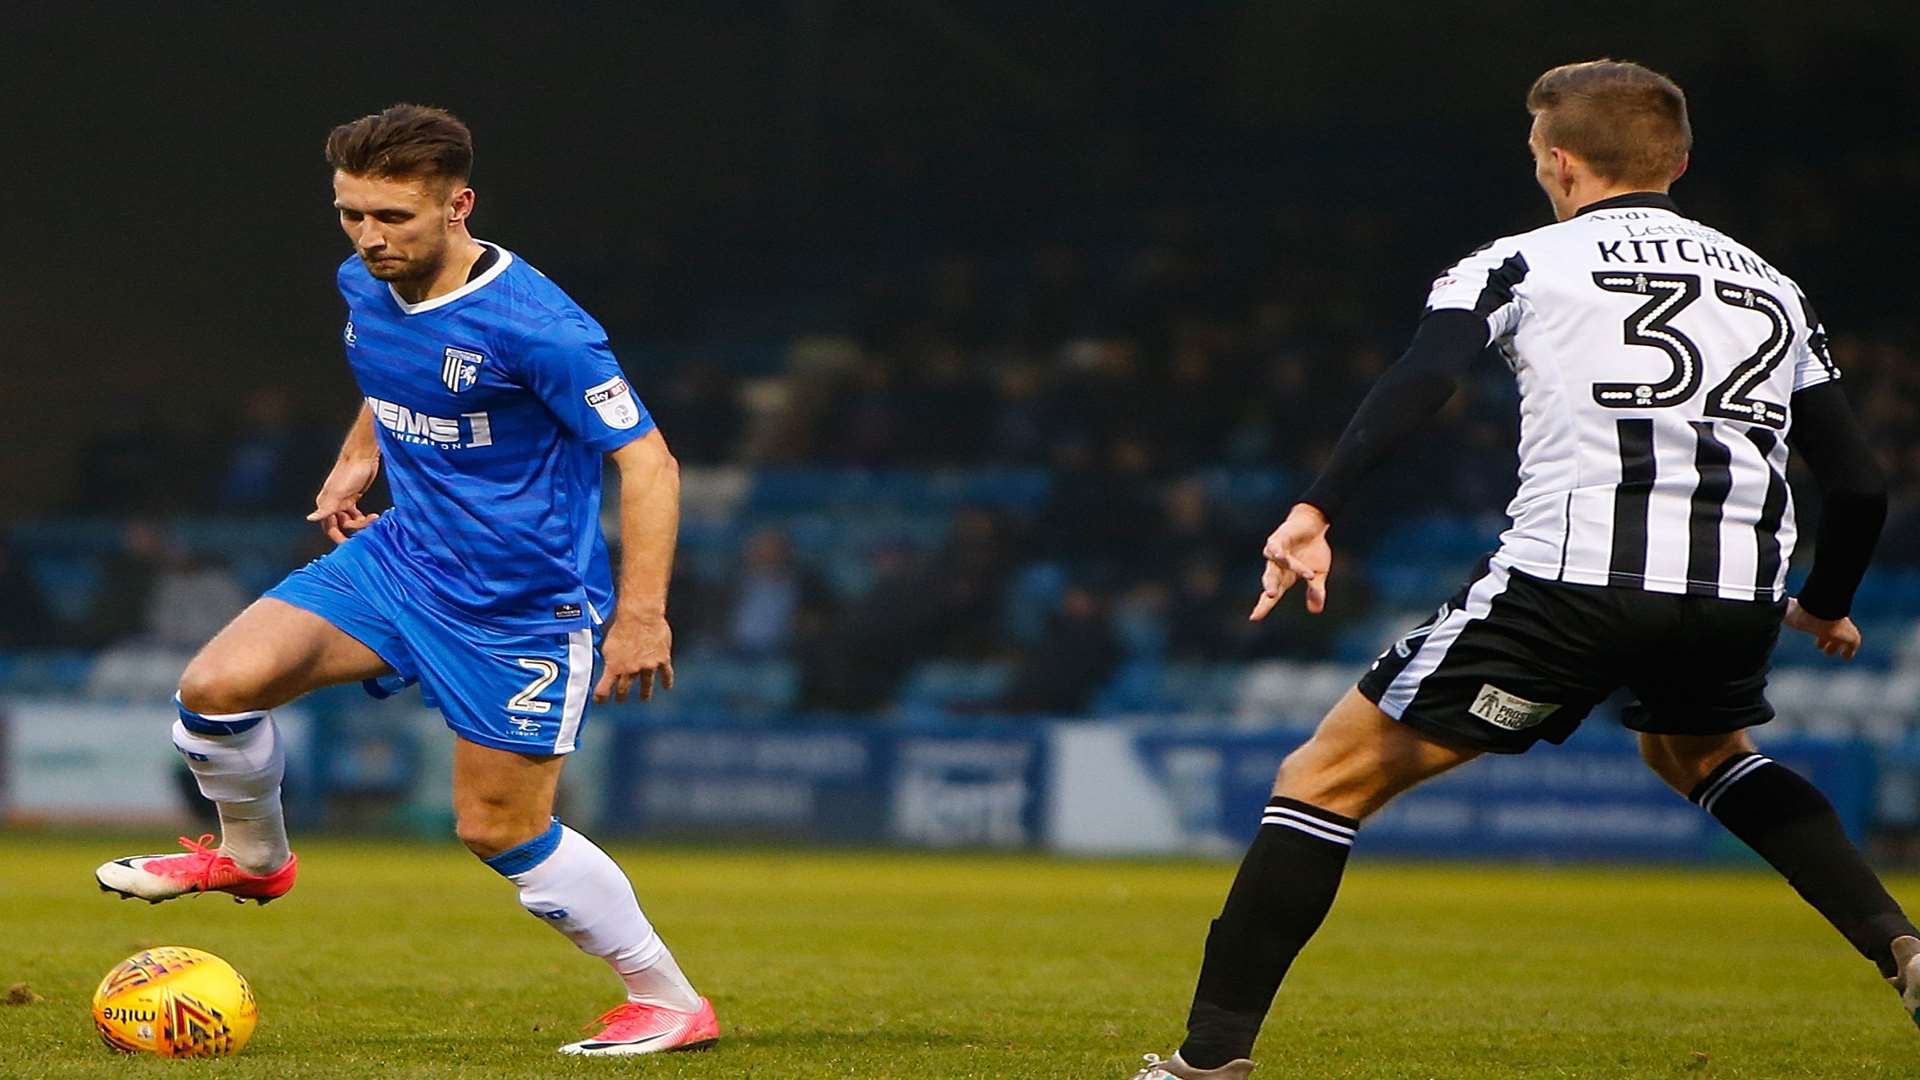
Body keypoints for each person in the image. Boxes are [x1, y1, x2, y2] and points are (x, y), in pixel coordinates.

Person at [1132, 60, 1916, 1079]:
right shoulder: (1773, 287)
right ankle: (1899, 943)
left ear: (1557, 162)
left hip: (1570, 583)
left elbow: (1425, 381)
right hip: (1732, 596)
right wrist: (1827, 600)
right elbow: (1857, 482)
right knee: (1700, 755)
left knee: (1322, 780)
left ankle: (1207, 1064)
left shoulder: (1517, 264)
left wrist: (1316, 507)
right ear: (1675, 161)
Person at [94, 105, 716, 1058]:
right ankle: (255, 861)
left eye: (394, 217)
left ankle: (668, 999)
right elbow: (394, 372)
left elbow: (651, 464)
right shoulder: (365, 281)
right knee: (215, 691)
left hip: (519, 605)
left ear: (458, 206)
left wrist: (641, 617)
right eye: (352, 214)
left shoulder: (540, 327)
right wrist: (359, 455)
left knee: (498, 828)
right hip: (402, 557)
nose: (369, 237)